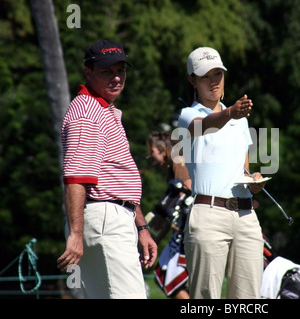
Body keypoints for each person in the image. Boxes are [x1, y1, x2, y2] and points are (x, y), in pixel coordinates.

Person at [56, 39, 158, 299]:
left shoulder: (100, 109)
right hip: (103, 220)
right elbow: (76, 178)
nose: (116, 77)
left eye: (120, 70)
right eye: (106, 71)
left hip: (109, 218)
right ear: (88, 72)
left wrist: (141, 227)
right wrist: (76, 234)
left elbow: (116, 179)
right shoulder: (87, 112)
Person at [177, 46, 267, 299]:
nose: (213, 81)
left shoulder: (240, 119)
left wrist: (255, 181)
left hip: (246, 216)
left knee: (248, 299)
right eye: (205, 75)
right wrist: (230, 113)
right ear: (192, 80)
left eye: (218, 73)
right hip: (208, 215)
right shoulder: (188, 115)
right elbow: (203, 126)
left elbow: (244, 170)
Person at [146, 130, 192, 299]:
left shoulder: (178, 162)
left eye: (152, 152)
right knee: (167, 278)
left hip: (188, 232)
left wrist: (165, 211)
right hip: (185, 230)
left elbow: (188, 190)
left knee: (166, 278)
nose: (150, 157)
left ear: (163, 149)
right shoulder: (176, 166)